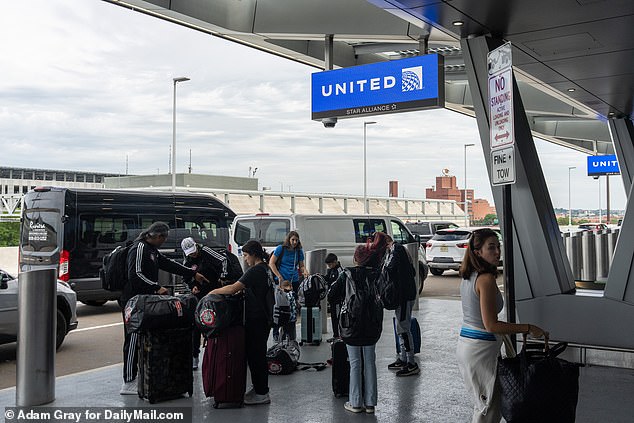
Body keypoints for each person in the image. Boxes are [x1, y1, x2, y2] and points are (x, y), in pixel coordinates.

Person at [456, 228, 547, 423]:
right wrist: (528, 327)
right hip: (481, 351)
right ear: (477, 251)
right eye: (491, 248)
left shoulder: (469, 276)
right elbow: (492, 325)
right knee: (487, 410)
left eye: (498, 247)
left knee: (484, 407)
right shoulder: (485, 279)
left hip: (470, 347)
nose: (497, 252)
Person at [119, 222, 208, 395]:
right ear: (157, 236)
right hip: (133, 302)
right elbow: (135, 274)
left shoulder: (152, 251)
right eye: (164, 238)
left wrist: (192, 273)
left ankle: (140, 375)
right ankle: (128, 381)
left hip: (145, 302)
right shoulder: (139, 248)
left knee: (144, 337)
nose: (164, 241)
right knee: (132, 339)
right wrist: (156, 287)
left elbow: (168, 264)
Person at [210, 239, 272, 406]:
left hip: (256, 319)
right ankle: (259, 388)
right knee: (257, 354)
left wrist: (212, 292)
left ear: (253, 254)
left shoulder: (256, 270)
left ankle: (262, 393)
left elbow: (233, 288)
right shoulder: (266, 269)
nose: (244, 259)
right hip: (263, 318)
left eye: (245, 255)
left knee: (256, 356)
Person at [329, 244, 383, 414]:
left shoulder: (347, 274)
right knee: (370, 362)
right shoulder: (376, 274)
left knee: (355, 363)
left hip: (351, 325)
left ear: (355, 258)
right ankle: (370, 403)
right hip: (372, 325)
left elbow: (331, 295)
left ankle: (355, 402)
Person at [181, 237, 228, 370]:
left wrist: (223, 277)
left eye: (194, 251)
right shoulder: (187, 261)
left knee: (215, 323)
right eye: (190, 253)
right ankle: (195, 356)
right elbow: (185, 278)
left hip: (215, 292)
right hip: (199, 296)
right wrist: (192, 286)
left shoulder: (206, 251)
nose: (193, 254)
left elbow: (223, 261)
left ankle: (218, 352)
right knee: (196, 325)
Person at [382, 234, 420, 376]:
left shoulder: (396, 250)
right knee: (401, 326)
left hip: (404, 296)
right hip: (404, 295)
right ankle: (404, 358)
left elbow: (389, 269)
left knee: (403, 328)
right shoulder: (398, 250)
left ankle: (411, 362)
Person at [269, 231, 308, 341]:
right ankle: (276, 332)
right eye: (293, 240)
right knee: (279, 307)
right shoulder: (281, 249)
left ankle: (290, 332)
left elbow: (301, 265)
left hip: (293, 281)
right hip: (281, 282)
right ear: (288, 239)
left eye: (296, 240)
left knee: (292, 307)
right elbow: (271, 263)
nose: (295, 242)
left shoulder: (298, 251)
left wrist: (305, 271)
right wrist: (279, 276)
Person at [324, 253, 344, 342]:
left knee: (337, 317)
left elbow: (338, 284)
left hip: (337, 299)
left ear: (335, 262)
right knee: (333, 317)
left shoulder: (339, 271)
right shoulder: (331, 270)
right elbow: (327, 279)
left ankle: (339, 335)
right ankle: (335, 335)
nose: (329, 266)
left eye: (330, 264)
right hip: (332, 299)